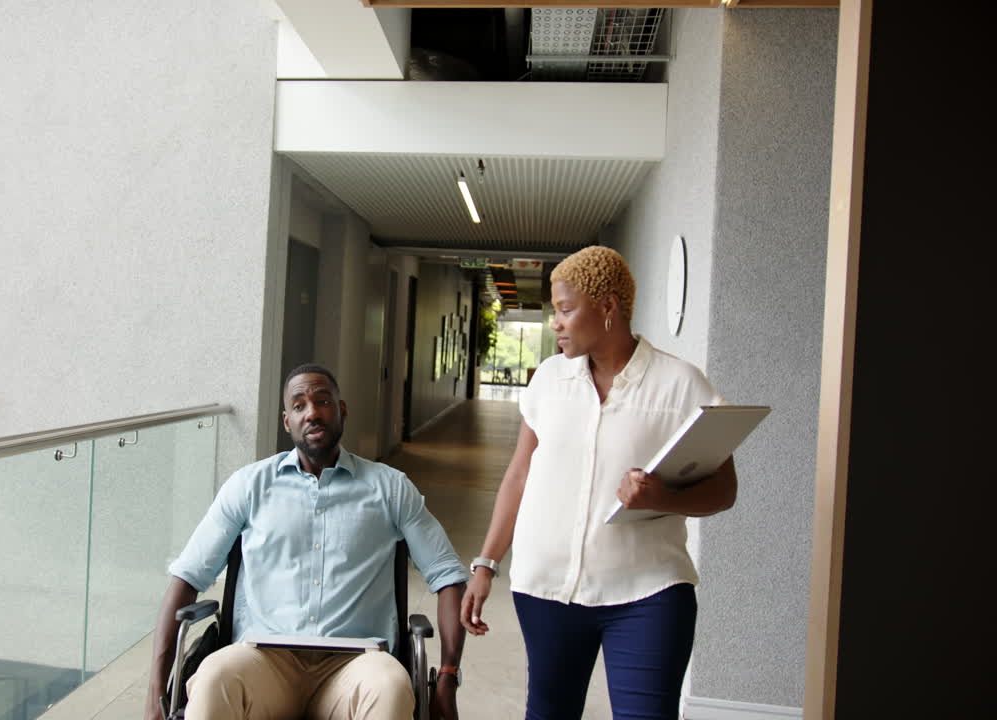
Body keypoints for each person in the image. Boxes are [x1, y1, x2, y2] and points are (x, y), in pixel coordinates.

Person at [460, 247, 738, 720]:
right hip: (547, 591)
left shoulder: (680, 385)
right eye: (554, 311)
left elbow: (724, 490)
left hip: (648, 594)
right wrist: (486, 562)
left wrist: (663, 497)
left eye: (566, 310)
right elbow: (519, 474)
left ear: (608, 307)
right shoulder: (549, 379)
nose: (556, 323)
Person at [146, 363, 468, 720]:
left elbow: (446, 574)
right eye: (299, 405)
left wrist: (447, 678)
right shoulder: (249, 485)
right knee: (213, 679)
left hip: (357, 663)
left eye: (322, 401)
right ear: (287, 422)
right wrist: (156, 691)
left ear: (342, 410)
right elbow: (189, 575)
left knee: (391, 686)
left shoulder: (389, 487)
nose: (312, 412)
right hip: (263, 659)